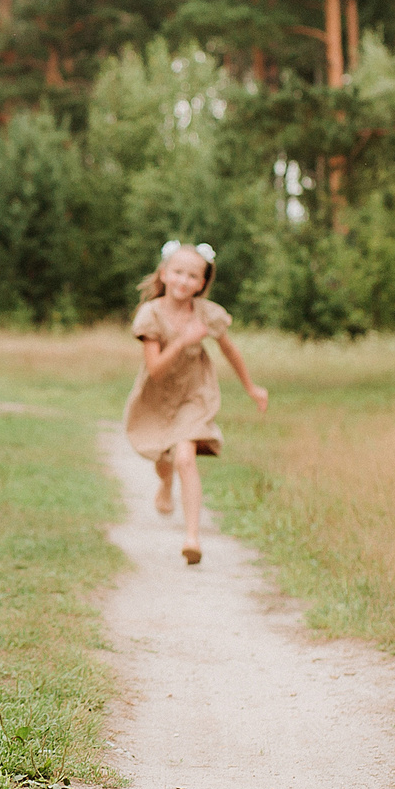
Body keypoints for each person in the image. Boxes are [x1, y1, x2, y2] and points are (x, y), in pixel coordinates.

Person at [124, 239, 267, 565]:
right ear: (164, 273)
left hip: (194, 394)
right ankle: (165, 482)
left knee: (185, 457)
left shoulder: (206, 314)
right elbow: (156, 370)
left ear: (202, 283)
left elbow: (229, 349)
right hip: (158, 397)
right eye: (177, 272)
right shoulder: (151, 314)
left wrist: (251, 387)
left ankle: (192, 538)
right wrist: (184, 340)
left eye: (192, 276)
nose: (183, 281)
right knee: (164, 458)